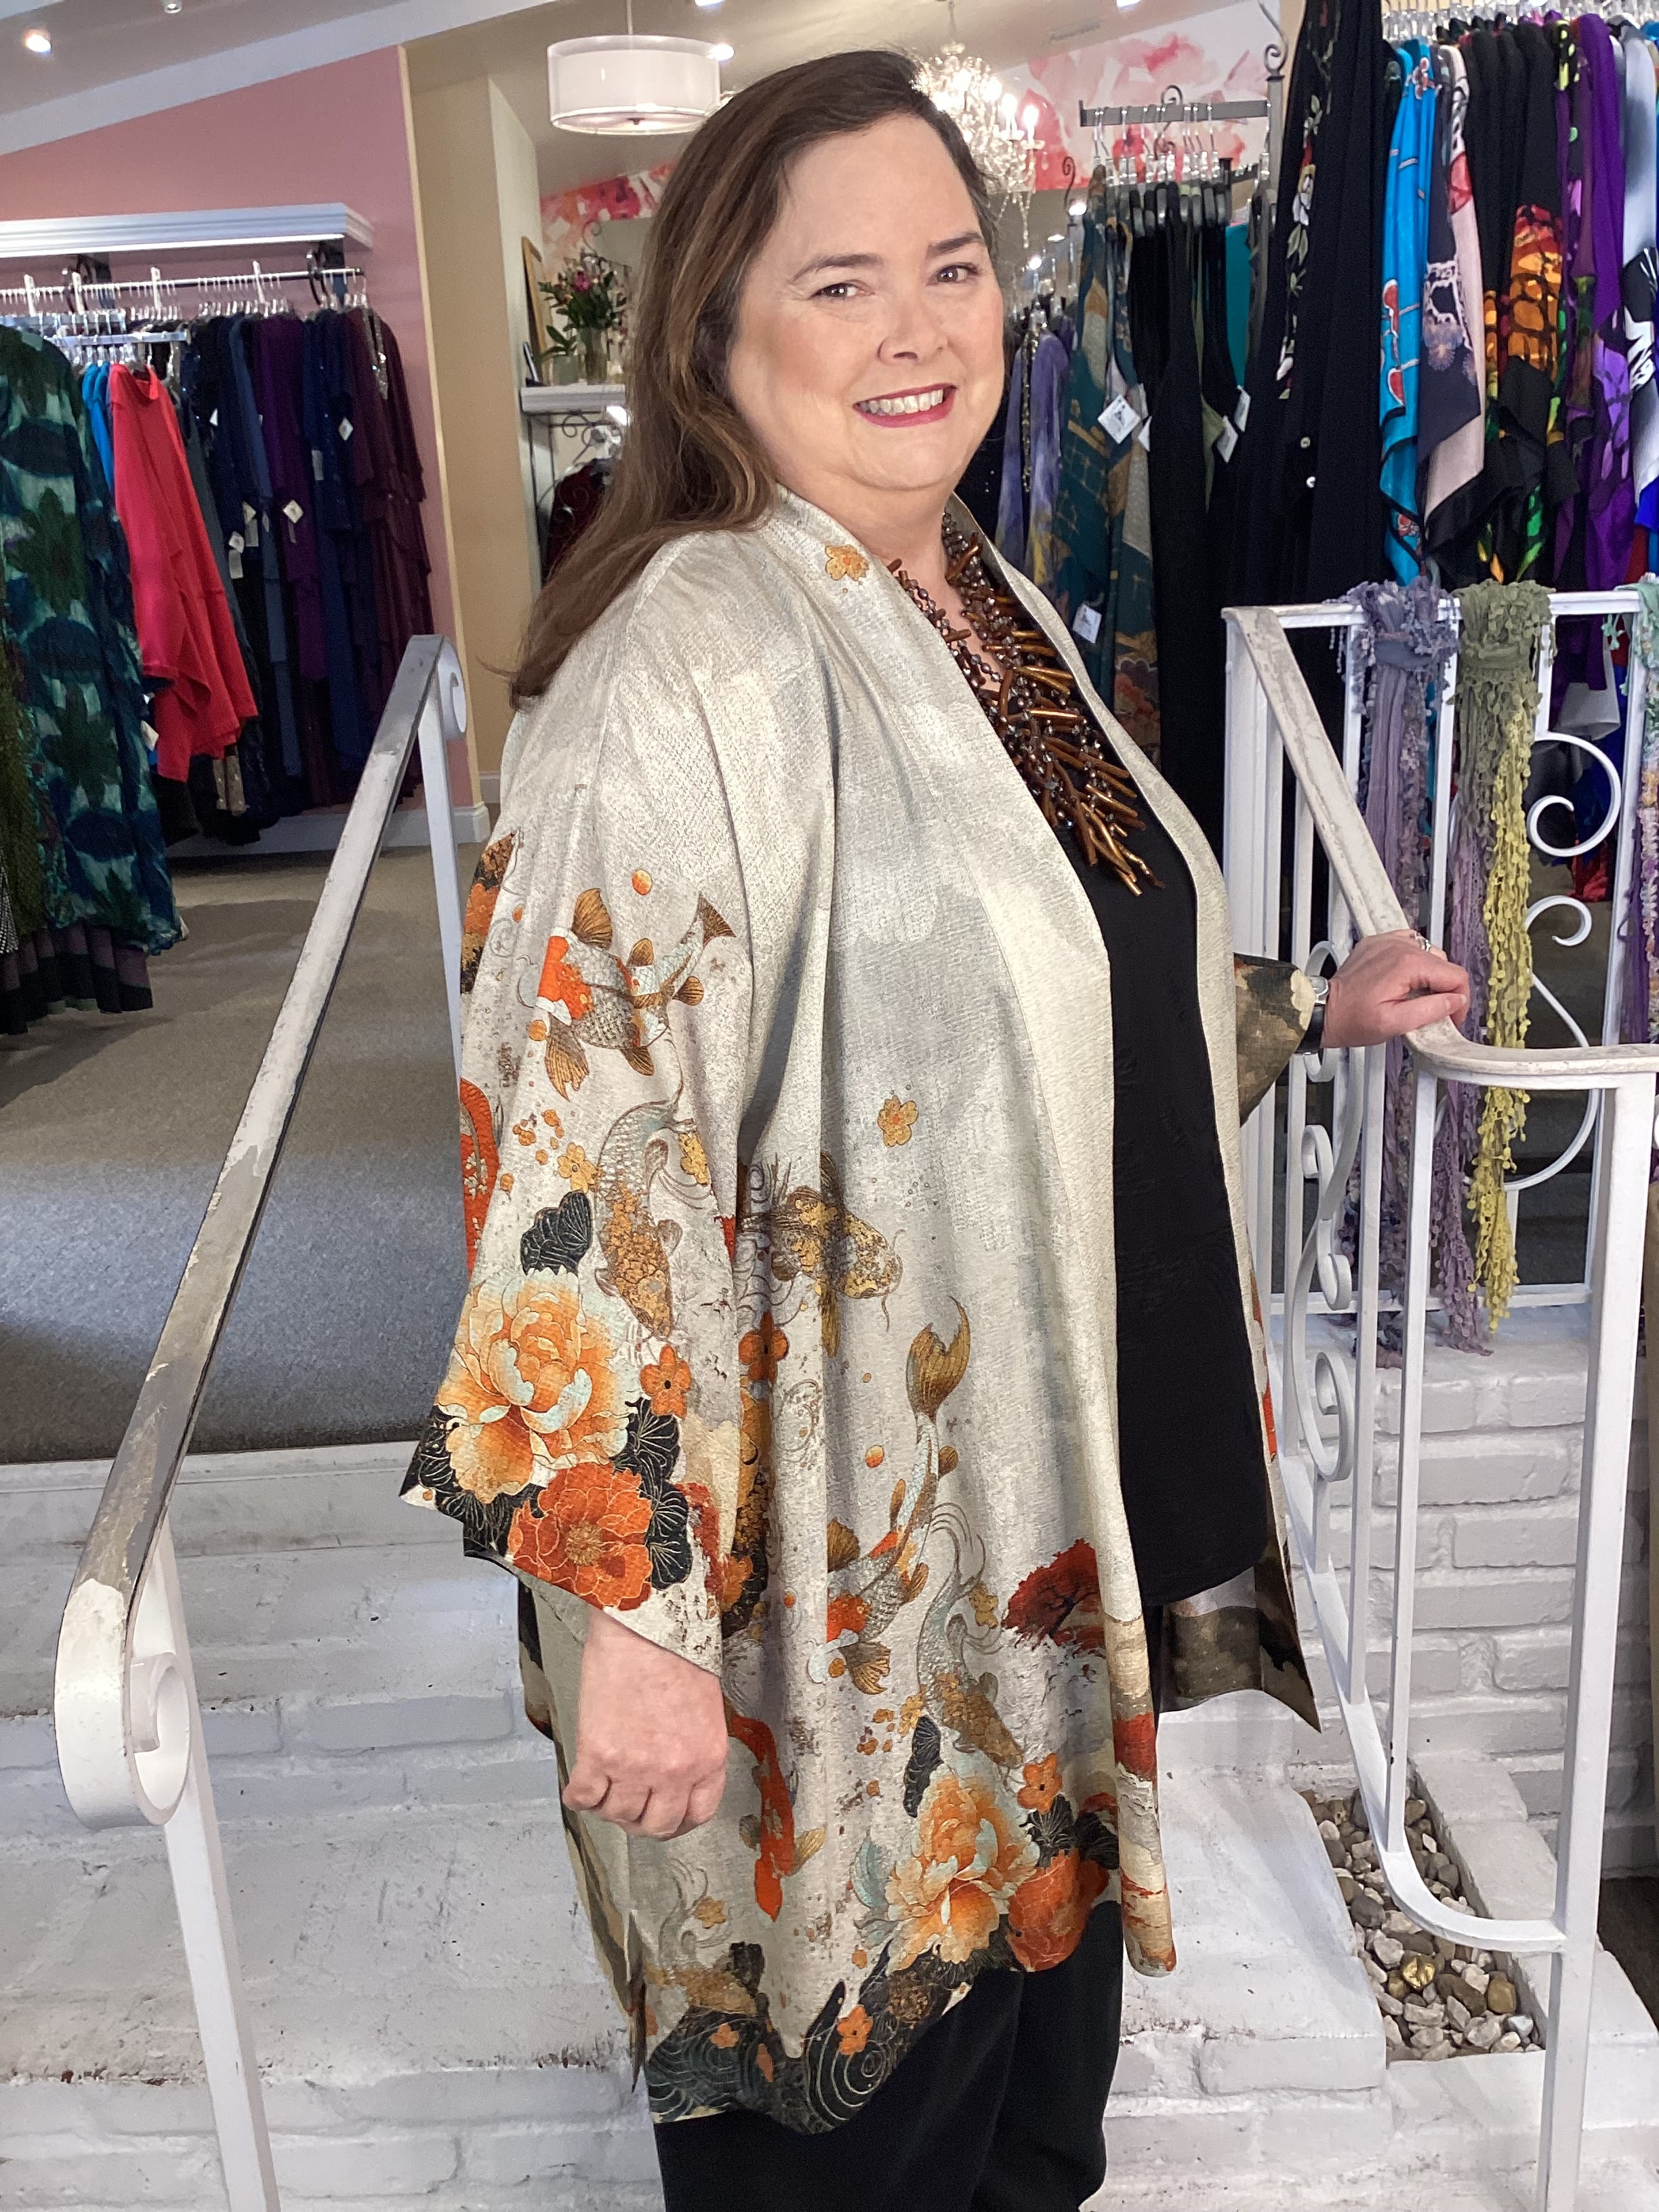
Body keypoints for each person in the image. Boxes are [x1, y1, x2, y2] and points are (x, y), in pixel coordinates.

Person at [403, 48, 1471, 2212]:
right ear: (710, 336)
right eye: (842, 283)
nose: (919, 329)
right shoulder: (687, 658)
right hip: (825, 1604)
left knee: (1028, 2137)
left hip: (1026, 1556)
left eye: (955, 267)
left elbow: (1022, 997)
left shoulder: (979, 598)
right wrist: (634, 1615)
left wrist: (1297, 1009)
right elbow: (582, 1146)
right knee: (854, 2144)